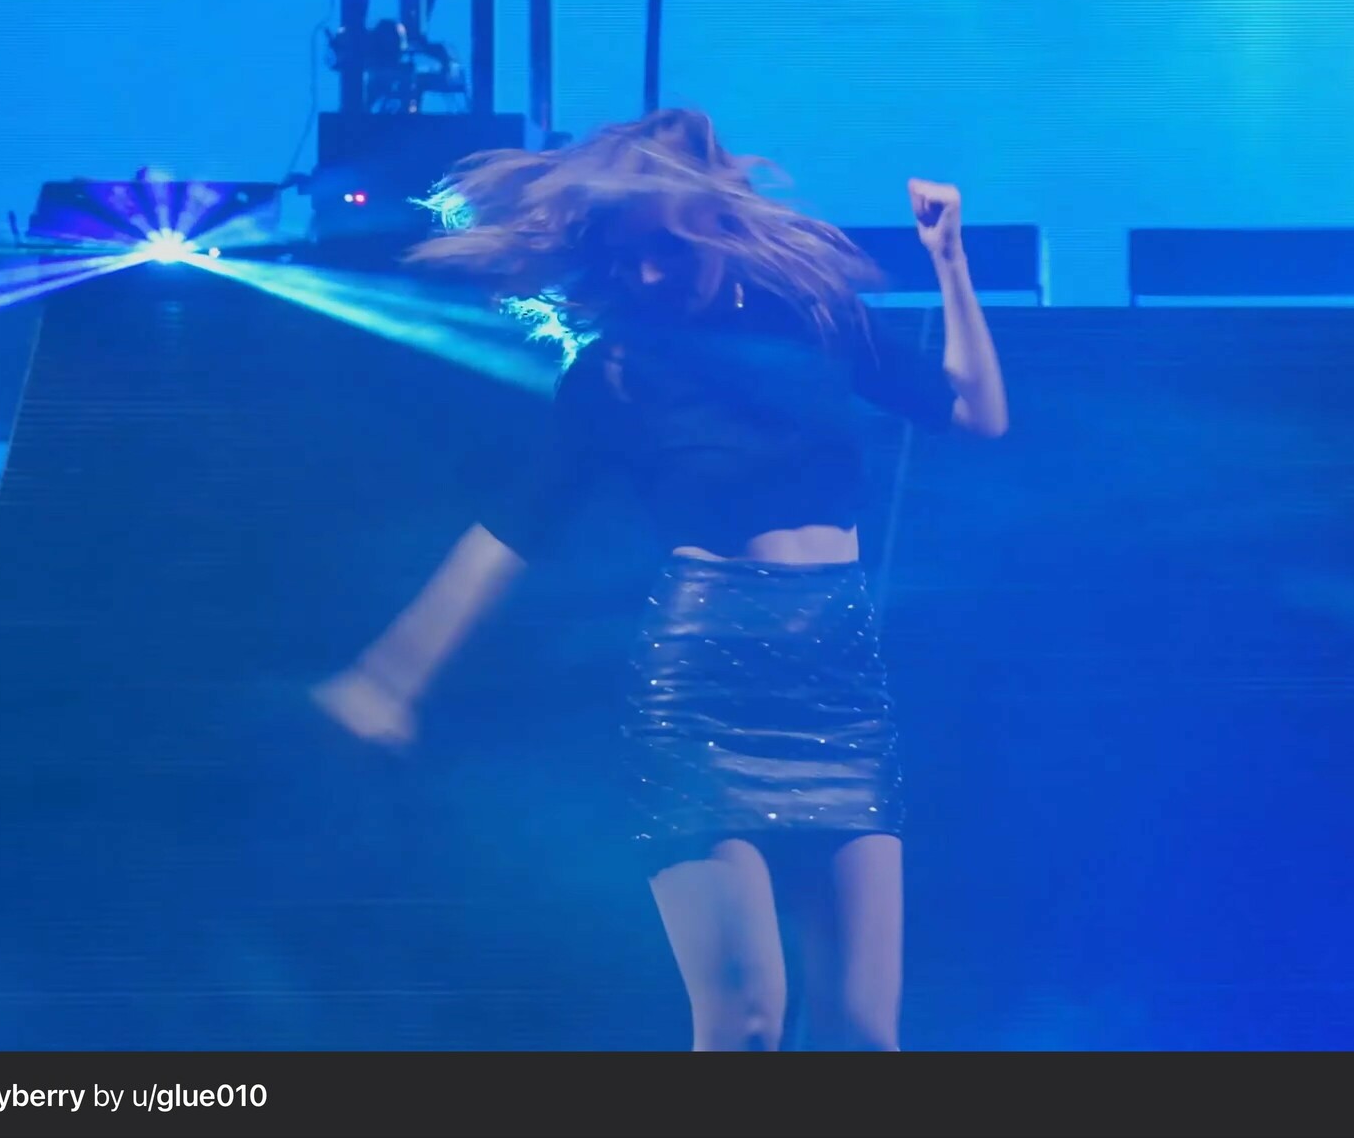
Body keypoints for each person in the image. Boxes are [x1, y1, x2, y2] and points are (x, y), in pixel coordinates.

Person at [312, 109, 1006, 1051]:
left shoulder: (816, 317)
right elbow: (514, 529)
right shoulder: (616, 374)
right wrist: (390, 676)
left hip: (838, 682)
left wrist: (949, 258)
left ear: (716, 224)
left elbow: (978, 413)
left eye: (665, 250)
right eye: (625, 256)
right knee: (746, 1021)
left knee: (860, 1030)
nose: (645, 275)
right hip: (704, 685)